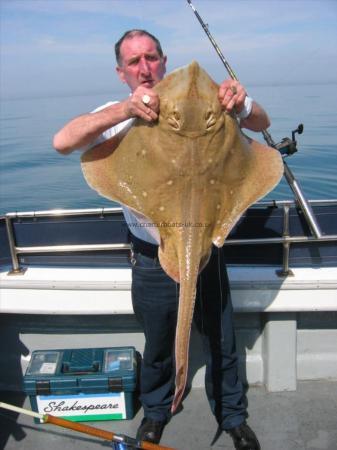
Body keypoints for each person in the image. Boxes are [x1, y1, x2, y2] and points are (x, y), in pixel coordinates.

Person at [54, 29, 270, 450]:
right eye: (134, 62)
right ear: (122, 73)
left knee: (222, 341)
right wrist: (123, 110)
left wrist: (240, 102)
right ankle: (156, 413)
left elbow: (262, 123)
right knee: (158, 343)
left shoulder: (216, 106)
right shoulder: (119, 113)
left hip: (209, 246)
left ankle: (232, 416)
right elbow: (63, 142)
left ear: (163, 61)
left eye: (151, 57)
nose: (144, 67)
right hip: (151, 257)